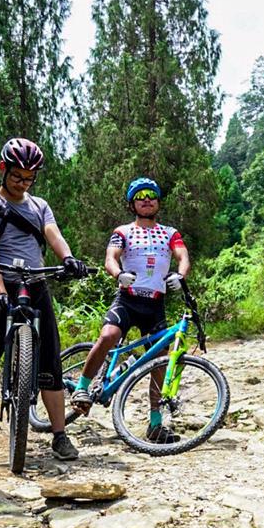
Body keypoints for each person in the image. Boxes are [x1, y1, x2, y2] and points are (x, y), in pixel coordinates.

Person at [0, 137, 89, 463]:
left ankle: (59, 436)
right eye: (16, 176)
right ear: (3, 169)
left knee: (50, 364)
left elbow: (53, 234)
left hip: (36, 285)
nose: (22, 182)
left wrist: (68, 258)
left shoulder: (39, 206)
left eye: (29, 178)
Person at [70, 177, 189, 444]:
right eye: (140, 196)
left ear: (158, 201)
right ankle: (81, 387)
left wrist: (180, 276)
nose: (147, 199)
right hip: (127, 299)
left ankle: (156, 424)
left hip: (155, 304)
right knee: (109, 335)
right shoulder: (123, 231)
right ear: (132, 203)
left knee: (160, 359)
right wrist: (118, 273)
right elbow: (111, 257)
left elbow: (183, 256)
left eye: (152, 195)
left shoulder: (170, 233)